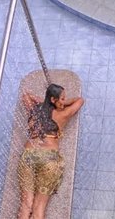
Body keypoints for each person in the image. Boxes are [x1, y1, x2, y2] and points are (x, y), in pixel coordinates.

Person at [17, 83, 83, 219]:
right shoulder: (62, 114)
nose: (64, 101)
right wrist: (62, 104)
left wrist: (46, 102)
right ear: (54, 100)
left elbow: (26, 96)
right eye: (62, 98)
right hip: (49, 159)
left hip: (29, 155)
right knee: (38, 207)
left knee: (26, 204)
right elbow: (80, 100)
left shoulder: (34, 110)